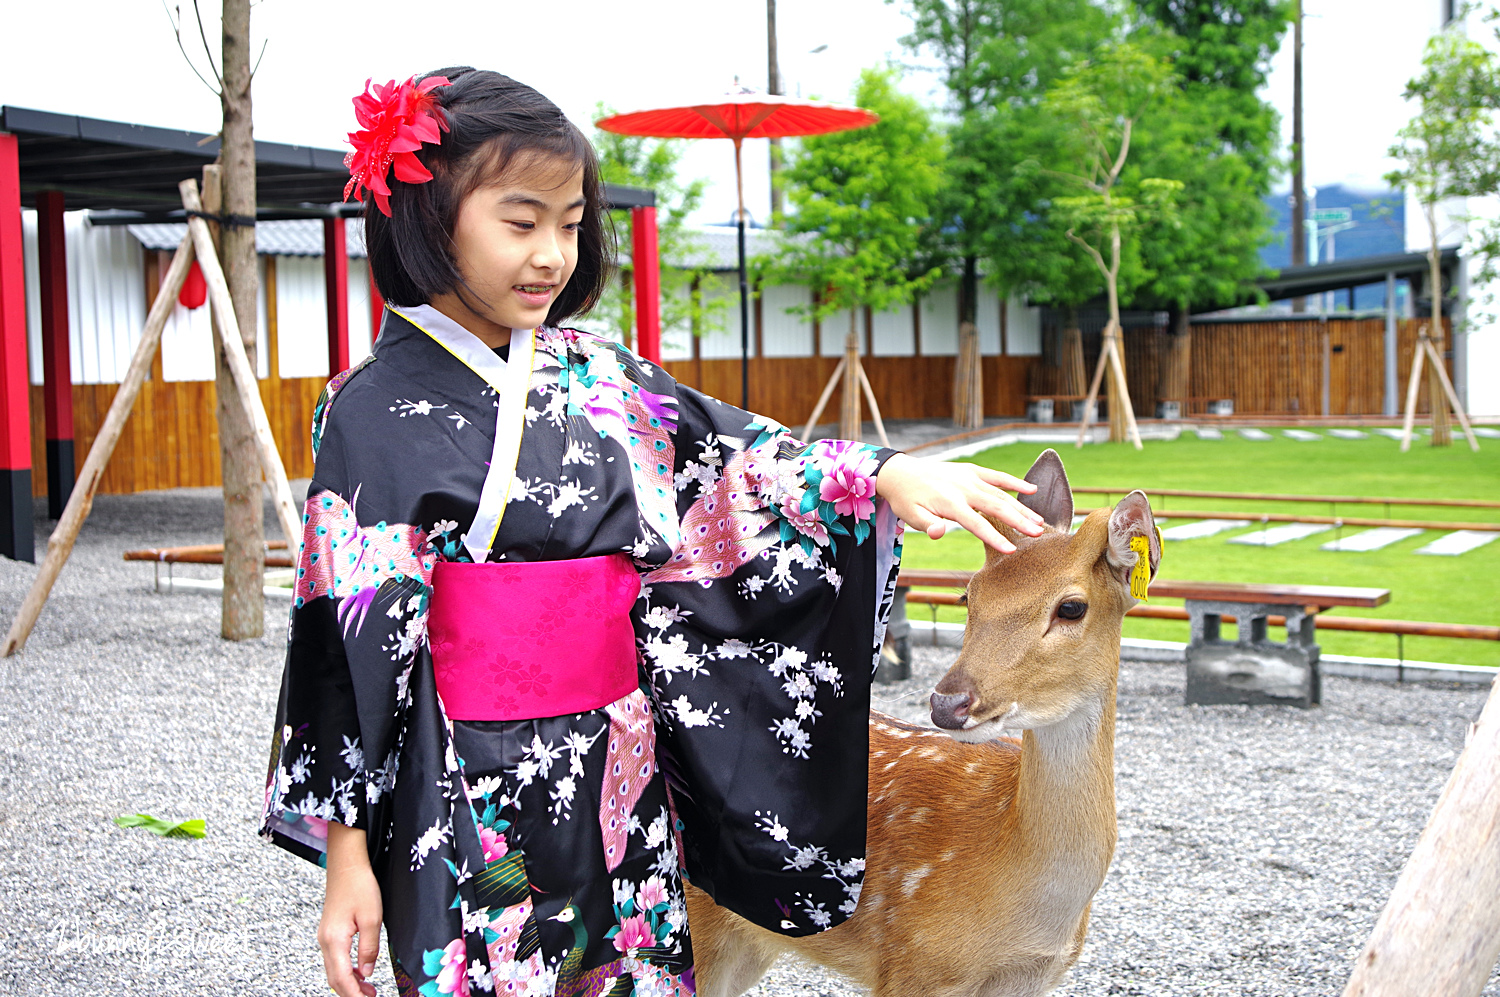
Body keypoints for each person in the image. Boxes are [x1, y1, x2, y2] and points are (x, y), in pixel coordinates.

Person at [260, 67, 1044, 997]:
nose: (552, 253)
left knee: (625, 968)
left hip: (618, 763)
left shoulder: (600, 375)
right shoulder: (370, 410)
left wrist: (881, 474)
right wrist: (349, 857)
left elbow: (741, 458)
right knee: (496, 961)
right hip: (473, 783)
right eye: (521, 223)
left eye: (569, 222)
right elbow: (345, 653)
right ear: (429, 215)